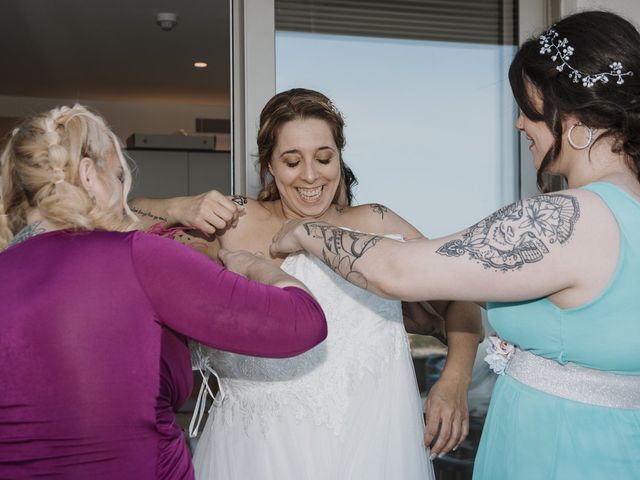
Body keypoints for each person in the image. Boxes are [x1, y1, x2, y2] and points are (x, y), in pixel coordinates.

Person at [270, 11, 640, 480]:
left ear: (572, 117)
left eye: (528, 107)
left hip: (559, 452)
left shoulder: (569, 216)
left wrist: (304, 232)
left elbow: (397, 270)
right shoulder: (629, 206)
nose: (519, 125)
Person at [136, 88, 482, 479]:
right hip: (255, 454)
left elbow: (462, 299)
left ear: (339, 156)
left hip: (369, 446)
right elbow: (118, 218)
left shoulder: (376, 224)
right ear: (268, 165)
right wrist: (179, 206)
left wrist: (454, 379)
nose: (311, 175)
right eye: (291, 161)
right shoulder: (236, 222)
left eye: (323, 157)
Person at [0, 105, 328, 479]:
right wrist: (257, 267)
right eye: (120, 176)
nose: (127, 194)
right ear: (89, 176)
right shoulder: (137, 259)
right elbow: (303, 322)